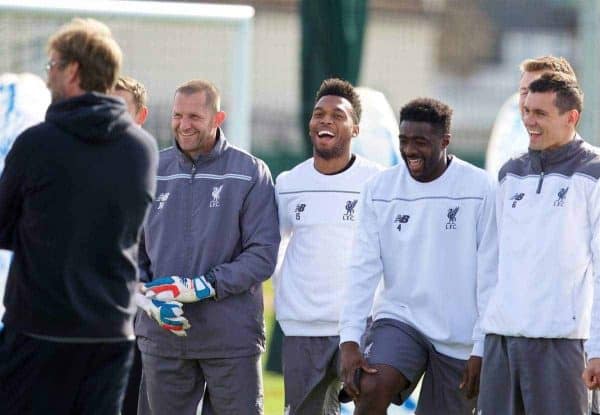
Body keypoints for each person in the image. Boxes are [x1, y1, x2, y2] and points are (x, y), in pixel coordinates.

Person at [0, 18, 158, 415]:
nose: (49, 76)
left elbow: (2, 228)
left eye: (52, 66)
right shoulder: (142, 148)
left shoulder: (37, 143)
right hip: (111, 332)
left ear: (72, 71)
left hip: (39, 330)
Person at [339, 98, 497, 414]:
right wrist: (350, 340)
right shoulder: (379, 189)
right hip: (400, 317)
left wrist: (481, 347)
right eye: (404, 141)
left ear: (445, 141)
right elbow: (362, 268)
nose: (410, 150)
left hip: (459, 334)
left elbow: (492, 276)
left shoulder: (481, 188)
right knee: (369, 386)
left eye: (420, 142)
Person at [135, 79, 280, 414]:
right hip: (164, 337)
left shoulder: (250, 173)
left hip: (230, 340)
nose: (184, 125)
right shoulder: (152, 170)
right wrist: (149, 300)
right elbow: (132, 252)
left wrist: (203, 286)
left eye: (195, 117)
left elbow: (262, 255)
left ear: (218, 118)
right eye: (177, 115)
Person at [478, 72, 597, 414]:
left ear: (571, 117)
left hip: (562, 347)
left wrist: (598, 348)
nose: (529, 120)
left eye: (540, 113)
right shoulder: (509, 173)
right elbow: (489, 267)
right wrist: (479, 344)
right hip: (502, 345)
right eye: (527, 110)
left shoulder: (594, 173)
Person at [274, 78, 382, 414]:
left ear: (356, 129)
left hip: (362, 325)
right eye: (319, 113)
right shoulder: (288, 183)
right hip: (303, 326)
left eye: (338, 115)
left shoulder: (378, 182)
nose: (325, 120)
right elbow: (271, 246)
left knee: (373, 403)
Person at [112, 75, 149, 415]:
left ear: (141, 115)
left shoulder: (158, 169)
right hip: (94, 311)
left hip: (144, 316)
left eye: (121, 108)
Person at [485, 55, 577, 177]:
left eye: (541, 91)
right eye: (524, 92)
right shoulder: (509, 172)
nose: (529, 100)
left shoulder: (591, 172)